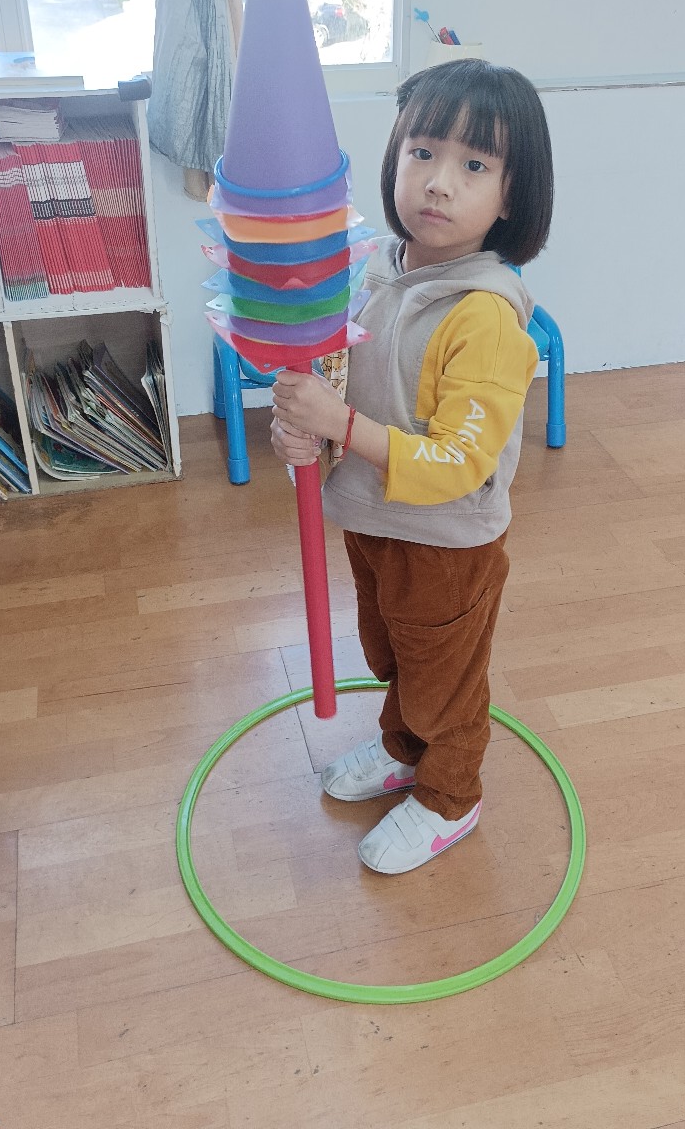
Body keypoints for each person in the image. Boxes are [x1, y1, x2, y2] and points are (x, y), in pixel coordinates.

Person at [271, 58, 554, 875]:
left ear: (512, 196)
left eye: (475, 165)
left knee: (445, 685)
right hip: (372, 520)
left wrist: (341, 425)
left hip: (445, 543)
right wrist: (307, 436)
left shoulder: (485, 318)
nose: (438, 182)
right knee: (392, 655)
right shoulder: (377, 272)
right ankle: (403, 750)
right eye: (422, 152)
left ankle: (449, 796)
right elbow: (342, 389)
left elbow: (459, 463)